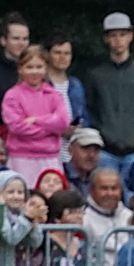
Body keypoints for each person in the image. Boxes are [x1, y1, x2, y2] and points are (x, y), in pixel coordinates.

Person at [85, 13, 134, 169]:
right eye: (113, 35)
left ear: (131, 36)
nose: (118, 40)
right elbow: (90, 109)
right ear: (106, 39)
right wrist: (101, 134)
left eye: (123, 35)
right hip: (105, 150)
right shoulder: (96, 74)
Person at [1, 45, 71, 189]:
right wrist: (50, 127)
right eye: (29, 67)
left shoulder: (54, 95)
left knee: (53, 198)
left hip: (50, 158)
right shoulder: (12, 96)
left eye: (39, 67)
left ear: (46, 69)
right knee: (23, 196)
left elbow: (63, 122)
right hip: (21, 158)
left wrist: (37, 120)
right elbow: (17, 127)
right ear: (20, 69)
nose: (34, 71)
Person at [42, 33, 89, 168]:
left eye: (67, 53)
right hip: (48, 152)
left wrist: (79, 128)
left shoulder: (76, 85)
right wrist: (60, 129)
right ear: (47, 54)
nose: (63, 57)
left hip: (73, 153)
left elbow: (85, 116)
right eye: (58, 52)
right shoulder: (40, 85)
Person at [83, 167, 133, 266]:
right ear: (91, 190)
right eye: (104, 188)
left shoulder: (131, 217)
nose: (110, 193)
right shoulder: (83, 218)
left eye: (114, 188)